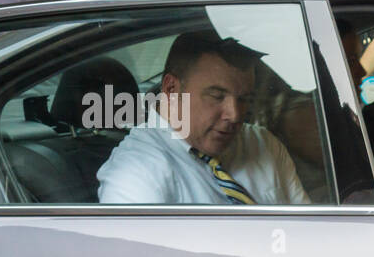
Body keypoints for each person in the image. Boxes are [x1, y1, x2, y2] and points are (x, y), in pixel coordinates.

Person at [98, 30, 309, 205]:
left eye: (244, 99)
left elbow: (308, 233)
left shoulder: (262, 144)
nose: (235, 115)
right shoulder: (134, 175)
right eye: (217, 96)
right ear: (171, 89)